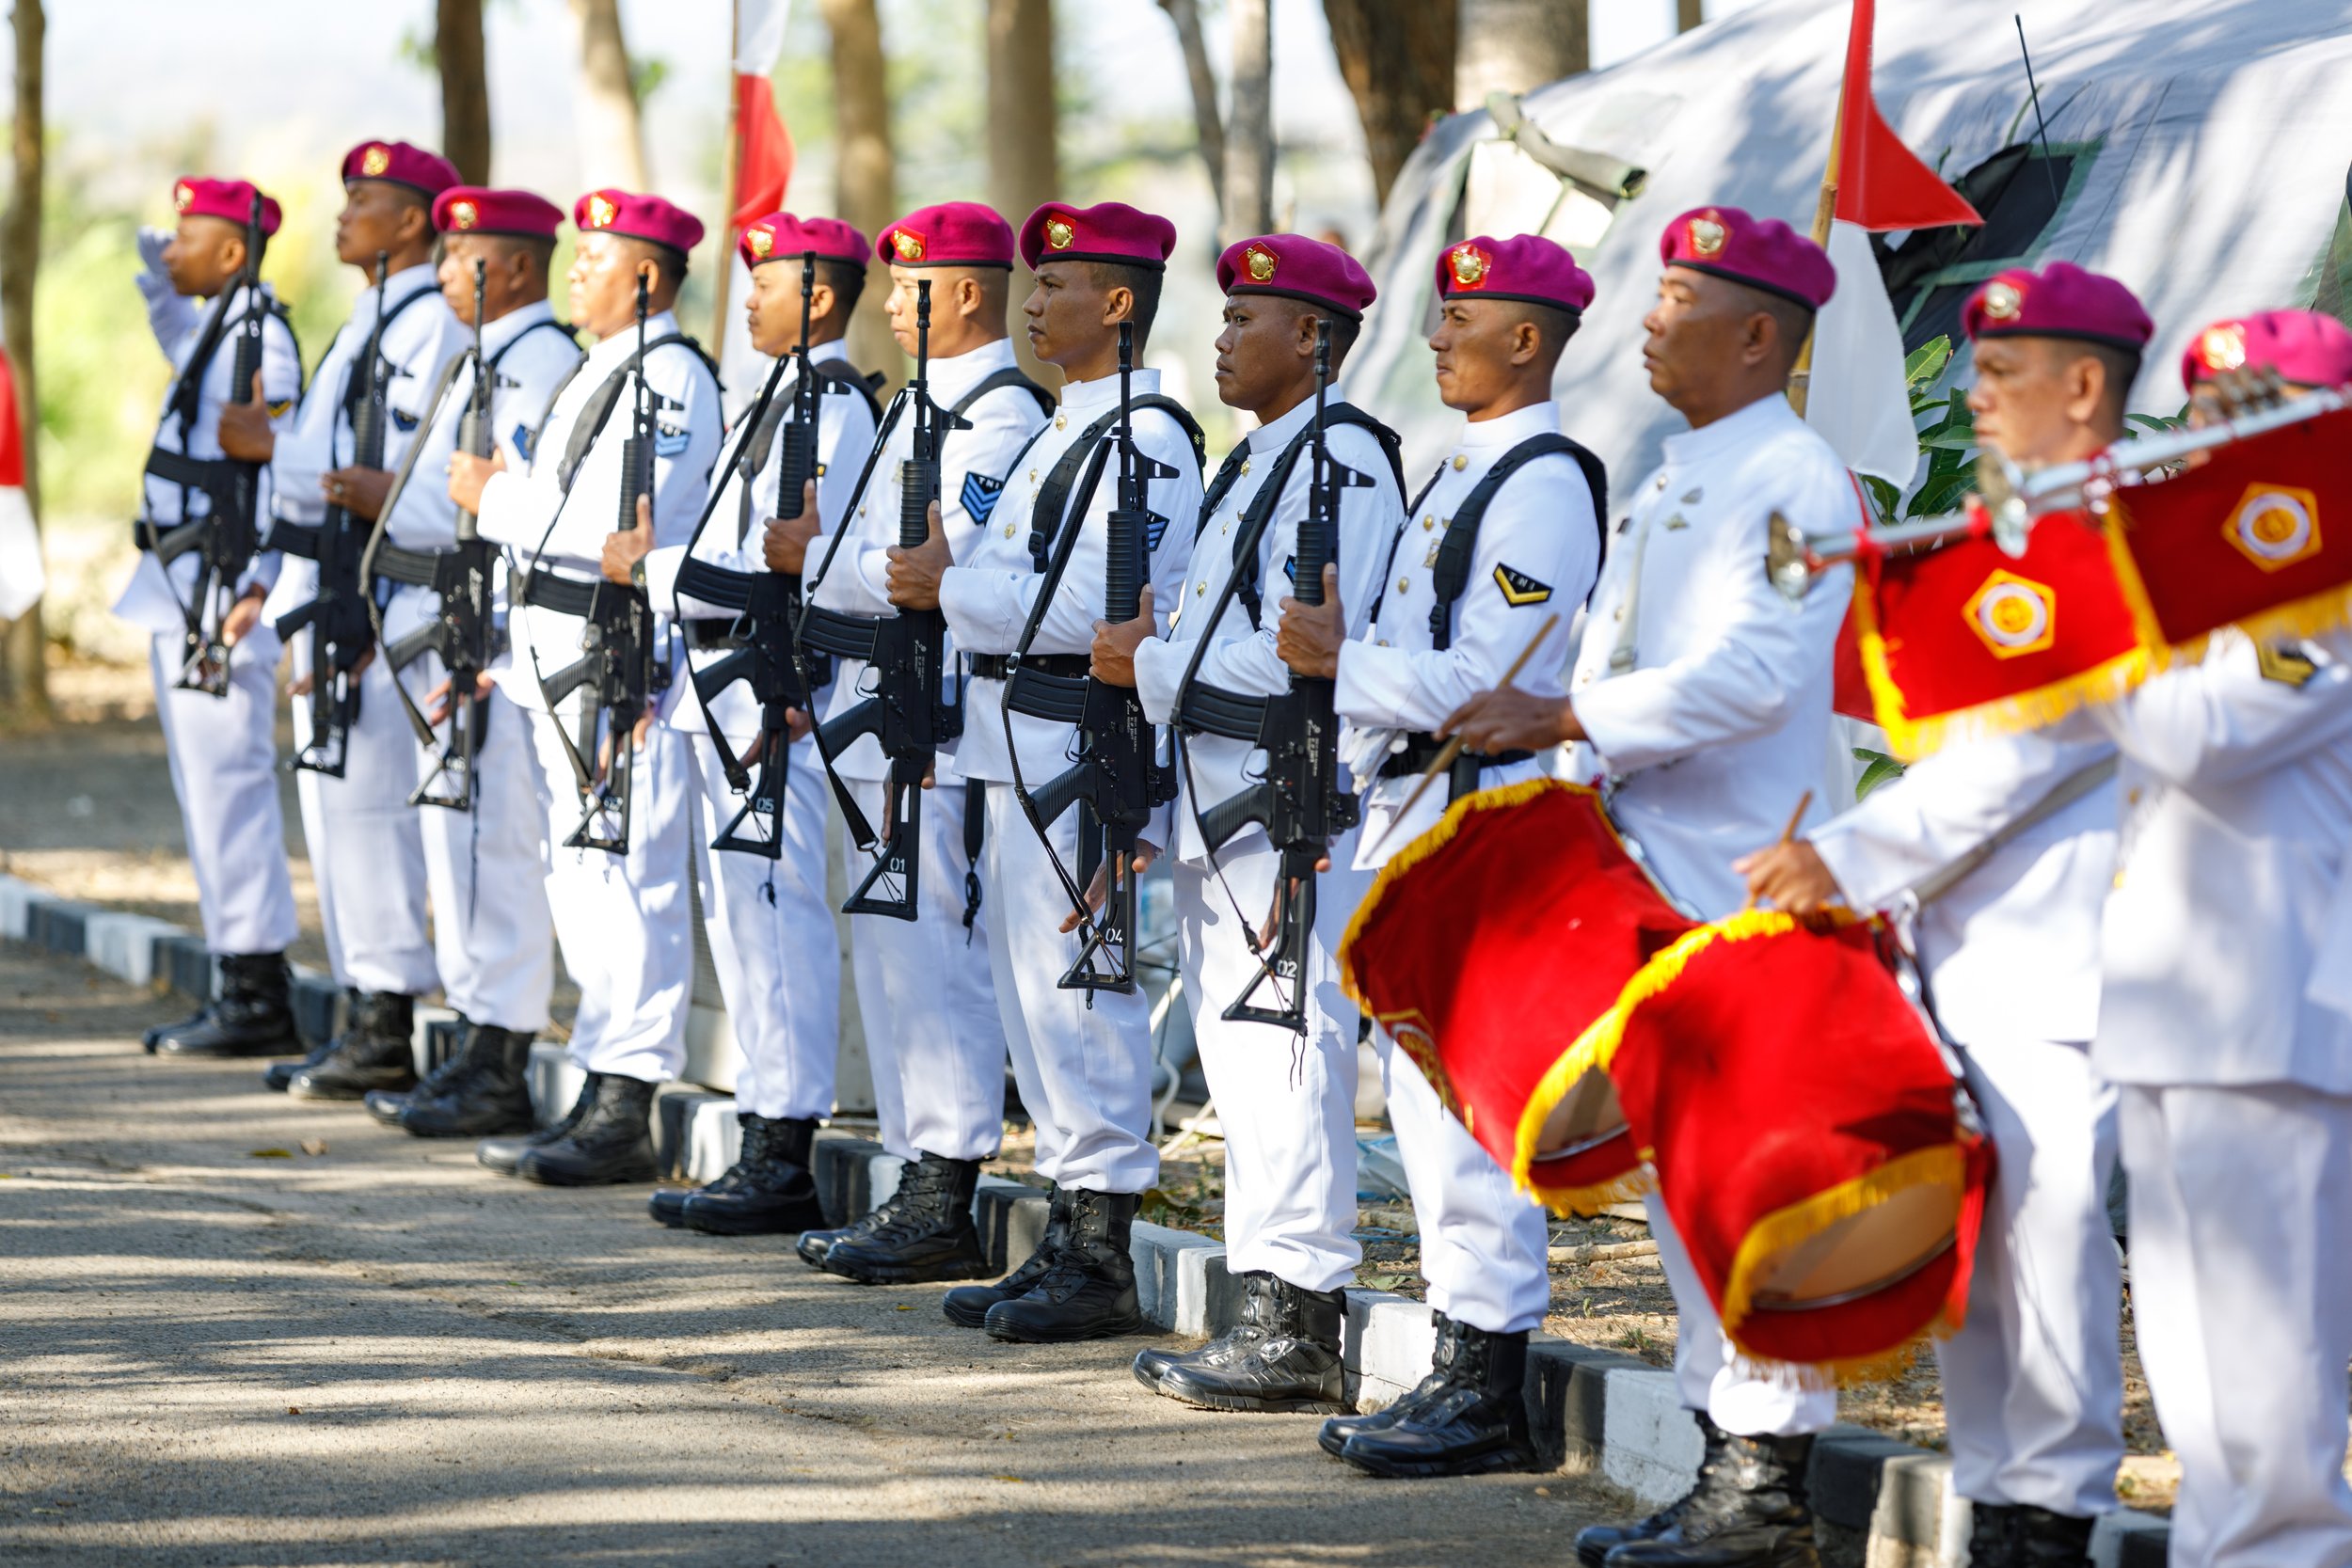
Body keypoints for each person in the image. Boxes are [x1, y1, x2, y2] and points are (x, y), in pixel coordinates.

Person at [1443, 207, 1849, 1560]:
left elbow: (1760, 675)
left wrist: (1565, 716)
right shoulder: (1682, 466)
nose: (1648, 321)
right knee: (1689, 1185)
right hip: (1653, 873)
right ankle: (1726, 1467)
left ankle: (1765, 1483)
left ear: (1756, 333)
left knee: (1751, 1183)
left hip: (1747, 877)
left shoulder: (1792, 474)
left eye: (1676, 297)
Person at [1740, 262, 2152, 1567]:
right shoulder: (2008, 534)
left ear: (2085, 386)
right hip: (1961, 936)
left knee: (2048, 1242)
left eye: (2003, 372)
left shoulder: (2118, 533)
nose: (1971, 393)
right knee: (1987, 1244)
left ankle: (2058, 1506)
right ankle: (1999, 1497)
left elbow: (2029, 747)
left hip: (2066, 945)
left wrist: (1846, 857)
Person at [1276, 232, 1600, 1477]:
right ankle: (1459, 1359)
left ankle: (1491, 1378)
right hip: (1410, 812)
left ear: (1526, 338)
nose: (1433, 339)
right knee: (1420, 1101)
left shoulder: (1543, 481)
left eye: (1459, 319)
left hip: (1481, 814)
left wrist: (1337, 666)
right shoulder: (1465, 470)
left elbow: (1485, 679)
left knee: (1466, 1106)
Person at [1092, 233, 1402, 1411]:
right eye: (1223, 321)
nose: (1222, 340)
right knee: (1240, 1056)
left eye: (1246, 321)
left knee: (1289, 1051)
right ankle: (1263, 1288)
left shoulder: (1344, 465)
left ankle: (1299, 1314)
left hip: (1282, 800)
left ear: (1313, 338)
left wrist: (1153, 659)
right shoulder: (1259, 460)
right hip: (1216, 798)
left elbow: (1303, 657)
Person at [2064, 308, 2352, 1568]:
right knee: (2193, 1370)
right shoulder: (2208, 568)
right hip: (2167, 1002)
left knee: (2274, 1363)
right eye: (2211, 408)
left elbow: (2198, 736)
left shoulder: (2322, 568)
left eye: (2257, 404)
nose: (2221, 432)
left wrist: (2084, 604)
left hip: (2274, 1008)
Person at [888, 199, 1203, 1342]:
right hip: (1024, 729)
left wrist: (948, 589)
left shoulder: (1147, 434)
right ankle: (1068, 1231)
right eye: (1029, 283)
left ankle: (1101, 1248)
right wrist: (964, 589)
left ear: (1116, 304)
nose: (1032, 302)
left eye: (1057, 285)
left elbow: (1089, 607)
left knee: (1080, 990)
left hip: (1082, 734)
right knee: (1034, 990)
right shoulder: (1072, 425)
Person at [790, 201, 1052, 1282]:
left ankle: (944, 1179)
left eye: (911, 287)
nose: (890, 304)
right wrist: (843, 563)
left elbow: (917, 565)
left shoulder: (994, 416)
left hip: (929, 714)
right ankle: (911, 1167)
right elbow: (857, 557)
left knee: (933, 943)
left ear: (971, 292)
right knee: (891, 948)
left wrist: (838, 562)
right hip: (872, 697)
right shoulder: (915, 407)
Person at [452, 188, 723, 1186]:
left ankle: (627, 1092)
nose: (575, 272)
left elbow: (616, 531)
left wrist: (497, 499)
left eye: (595, 258)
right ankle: (597, 1075)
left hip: (620, 655)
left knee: (630, 876)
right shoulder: (601, 368)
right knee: (581, 876)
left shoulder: (671, 377)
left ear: (648, 277)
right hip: (555, 647)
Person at [633, 212, 879, 1234]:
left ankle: (783, 1141)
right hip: (722, 681)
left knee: (776, 918)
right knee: (740, 920)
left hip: (772, 689)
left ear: (819, 298)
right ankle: (759, 1122)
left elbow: (787, 562)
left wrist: (650, 572)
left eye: (766, 284)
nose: (747, 301)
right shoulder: (775, 398)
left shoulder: (830, 405)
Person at [358, 186, 586, 1139]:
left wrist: (489, 640)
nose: (445, 273)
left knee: (495, 843)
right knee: (459, 837)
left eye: (462, 257)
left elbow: (519, 515)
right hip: (442, 615)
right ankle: (473, 1037)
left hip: (486, 622)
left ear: (515, 268)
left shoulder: (536, 362)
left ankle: (499, 1048)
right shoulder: (486, 353)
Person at [251, 140, 464, 1099]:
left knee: (374, 807)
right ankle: (360, 996)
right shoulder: (365, 317)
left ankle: (388, 1013)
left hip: (383, 589)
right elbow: (307, 464)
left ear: (416, 219)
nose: (344, 216)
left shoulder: (434, 324)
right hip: (324, 580)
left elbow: (407, 474)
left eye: (366, 199)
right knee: (335, 808)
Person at [124, 176, 305, 1058]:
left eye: (193, 236)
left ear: (233, 254)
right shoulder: (217, 327)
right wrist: (167, 262)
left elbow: (278, 470)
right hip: (186, 586)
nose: (172, 249)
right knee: (208, 791)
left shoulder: (260, 337)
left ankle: (255, 987)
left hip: (227, 595)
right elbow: (163, 302)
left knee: (229, 790)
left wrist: (263, 582)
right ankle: (239, 971)